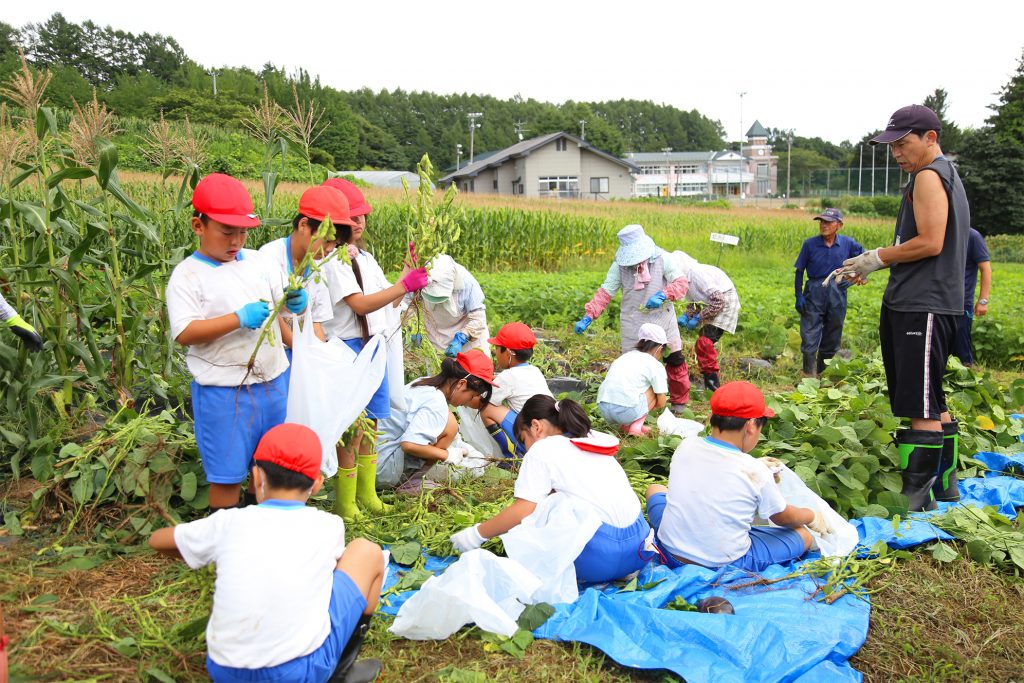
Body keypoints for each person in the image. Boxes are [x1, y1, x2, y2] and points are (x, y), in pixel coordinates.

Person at [148, 423, 386, 683]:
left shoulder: (227, 523)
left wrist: (200, 552)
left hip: (225, 671)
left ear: (257, 477)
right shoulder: (329, 526)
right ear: (317, 484)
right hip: (297, 674)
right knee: (367, 552)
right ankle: (339, 674)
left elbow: (157, 541)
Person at [833, 104, 971, 511]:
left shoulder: (929, 176)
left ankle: (916, 496)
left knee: (919, 403)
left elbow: (931, 242)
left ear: (931, 138)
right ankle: (945, 486)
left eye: (903, 143)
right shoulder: (943, 176)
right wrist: (876, 265)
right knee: (933, 397)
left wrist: (877, 257)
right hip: (929, 300)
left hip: (922, 304)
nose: (896, 153)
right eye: (891, 145)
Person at [165, 173, 308, 511]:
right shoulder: (188, 276)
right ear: (198, 226)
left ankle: (260, 535)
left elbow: (282, 303)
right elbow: (185, 332)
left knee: (271, 469)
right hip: (225, 392)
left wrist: (295, 301)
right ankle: (223, 541)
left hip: (274, 383)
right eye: (226, 232)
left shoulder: (259, 262)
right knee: (227, 475)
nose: (236, 241)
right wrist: (237, 319)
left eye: (243, 232)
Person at [449, 395, 653, 584]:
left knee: (544, 507)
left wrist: (475, 534)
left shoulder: (542, 449)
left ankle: (599, 569)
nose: (526, 448)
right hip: (639, 550)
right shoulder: (592, 439)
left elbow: (524, 509)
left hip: (598, 560)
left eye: (524, 440)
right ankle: (620, 570)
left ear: (536, 427)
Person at [318, 181, 429, 519]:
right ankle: (345, 501)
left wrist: (407, 276)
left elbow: (389, 301)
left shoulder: (366, 258)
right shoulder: (335, 261)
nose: (358, 222)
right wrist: (402, 285)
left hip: (375, 346)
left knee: (372, 423)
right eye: (351, 217)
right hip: (350, 348)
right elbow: (361, 306)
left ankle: (367, 495)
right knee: (352, 426)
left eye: (361, 215)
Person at [644, 381, 830, 571]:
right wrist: (811, 516)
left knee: (655, 489)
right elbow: (784, 518)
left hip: (669, 550)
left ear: (711, 417)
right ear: (750, 426)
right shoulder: (755, 471)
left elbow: (714, 472)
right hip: (724, 562)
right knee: (803, 535)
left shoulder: (687, 445)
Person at [575, 224, 691, 408]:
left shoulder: (663, 259)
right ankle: (635, 405)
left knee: (674, 359)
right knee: (633, 366)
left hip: (662, 319)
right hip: (633, 320)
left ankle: (678, 404)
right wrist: (588, 316)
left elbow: (681, 282)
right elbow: (606, 291)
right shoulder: (620, 266)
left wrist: (663, 295)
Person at [375, 350, 496, 492]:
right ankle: (412, 482)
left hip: (372, 461)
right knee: (451, 424)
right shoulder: (435, 401)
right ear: (461, 384)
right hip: (383, 470)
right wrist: (447, 455)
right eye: (471, 396)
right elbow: (409, 444)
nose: (466, 402)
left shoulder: (424, 383)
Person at [258, 185, 350, 345]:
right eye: (327, 241)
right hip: (275, 352)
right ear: (303, 225)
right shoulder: (269, 256)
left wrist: (321, 354)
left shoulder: (319, 265)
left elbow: (316, 324)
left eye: (336, 243)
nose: (330, 249)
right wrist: (304, 350)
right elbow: (271, 317)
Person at [794, 208, 864, 377]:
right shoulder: (810, 244)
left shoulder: (848, 244)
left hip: (837, 290)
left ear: (839, 225)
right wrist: (798, 294)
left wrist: (858, 274)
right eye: (821, 222)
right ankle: (808, 375)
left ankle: (822, 373)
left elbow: (864, 258)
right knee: (809, 332)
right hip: (814, 290)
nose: (823, 225)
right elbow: (799, 270)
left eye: (828, 222)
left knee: (833, 331)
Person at [478, 322, 553, 458]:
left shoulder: (507, 376)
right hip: (550, 431)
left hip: (535, 437)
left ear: (507, 353)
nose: (495, 354)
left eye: (497, 348)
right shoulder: (534, 371)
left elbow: (484, 399)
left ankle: (512, 456)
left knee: (487, 408)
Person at [673, 251, 741, 392]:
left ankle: (713, 387)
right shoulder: (687, 280)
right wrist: (687, 315)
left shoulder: (697, 275)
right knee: (704, 343)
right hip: (714, 303)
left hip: (725, 302)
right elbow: (696, 301)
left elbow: (719, 300)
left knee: (705, 343)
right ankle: (710, 384)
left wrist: (699, 317)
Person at [596, 323, 668, 436]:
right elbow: (662, 401)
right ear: (660, 348)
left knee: (633, 389)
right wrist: (656, 405)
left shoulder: (624, 357)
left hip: (604, 408)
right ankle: (635, 427)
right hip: (626, 411)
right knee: (655, 391)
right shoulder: (654, 364)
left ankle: (626, 425)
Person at [417, 254, 491, 357]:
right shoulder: (418, 279)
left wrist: (462, 337)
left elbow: (478, 319)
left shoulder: (468, 283)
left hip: (469, 345)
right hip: (435, 340)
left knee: (472, 372)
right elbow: (408, 306)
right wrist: (415, 327)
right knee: (438, 372)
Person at [951, 227, 991, 366]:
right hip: (938, 300)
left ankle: (966, 377)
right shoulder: (940, 232)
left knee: (961, 345)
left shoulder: (972, 236)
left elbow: (985, 268)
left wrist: (983, 301)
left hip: (962, 302)